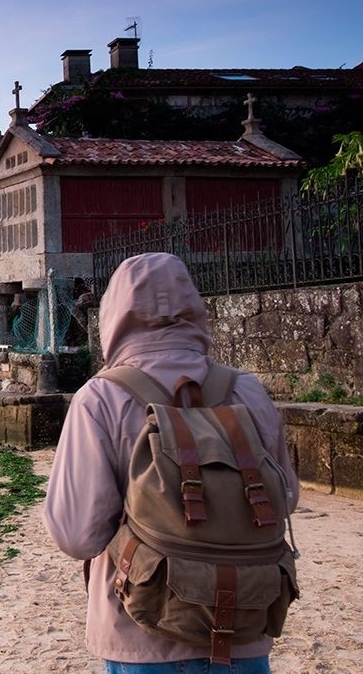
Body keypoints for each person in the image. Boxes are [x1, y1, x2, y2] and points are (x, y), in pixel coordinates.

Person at [43, 252, 299, 674]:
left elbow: (77, 535)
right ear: (193, 307)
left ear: (115, 313)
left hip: (141, 630)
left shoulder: (101, 398)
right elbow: (283, 498)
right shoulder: (247, 390)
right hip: (245, 624)